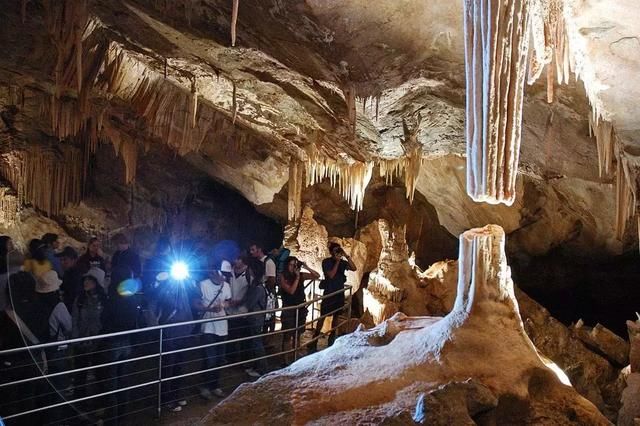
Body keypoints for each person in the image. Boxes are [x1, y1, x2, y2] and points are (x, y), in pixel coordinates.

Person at [193, 263, 231, 400]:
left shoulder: (226, 285)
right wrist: (209, 309)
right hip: (208, 326)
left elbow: (228, 301)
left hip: (222, 326)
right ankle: (205, 385)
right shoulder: (203, 285)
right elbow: (196, 304)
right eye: (222, 274)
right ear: (213, 273)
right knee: (209, 358)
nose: (224, 278)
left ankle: (214, 385)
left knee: (219, 358)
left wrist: (223, 305)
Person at [311, 242, 357, 351]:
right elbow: (331, 275)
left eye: (339, 250)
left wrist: (346, 255)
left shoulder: (342, 262)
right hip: (329, 292)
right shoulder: (326, 262)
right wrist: (336, 262)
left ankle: (331, 339)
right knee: (323, 316)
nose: (338, 253)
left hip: (339, 292)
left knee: (336, 316)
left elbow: (354, 268)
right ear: (331, 252)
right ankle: (315, 339)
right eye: (336, 251)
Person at [71, 271, 107, 398]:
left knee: (100, 374)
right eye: (85, 280)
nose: (86, 282)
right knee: (80, 375)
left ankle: (100, 403)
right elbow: (74, 320)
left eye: (90, 280)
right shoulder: (80, 300)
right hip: (82, 343)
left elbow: (104, 321)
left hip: (97, 343)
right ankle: (79, 403)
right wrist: (76, 340)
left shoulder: (103, 300)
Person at [279, 256, 319, 365]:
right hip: (289, 308)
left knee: (298, 334)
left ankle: (295, 355)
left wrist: (306, 267)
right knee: (287, 335)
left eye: (295, 265)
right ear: (287, 265)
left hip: (300, 308)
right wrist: (297, 278)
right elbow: (291, 291)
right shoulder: (283, 276)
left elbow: (317, 276)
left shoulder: (300, 275)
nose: (293, 267)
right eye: (291, 265)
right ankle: (285, 359)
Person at [244, 258, 268, 377]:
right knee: (254, 343)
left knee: (257, 343)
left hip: (256, 318)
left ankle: (262, 369)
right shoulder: (257, 285)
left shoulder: (257, 287)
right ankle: (256, 366)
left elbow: (250, 303)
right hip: (256, 317)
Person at [225, 255, 250, 364]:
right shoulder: (229, 271)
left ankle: (244, 360)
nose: (234, 261)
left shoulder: (249, 273)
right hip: (230, 310)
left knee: (243, 336)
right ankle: (231, 358)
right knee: (231, 335)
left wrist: (241, 301)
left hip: (243, 310)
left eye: (237, 259)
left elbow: (251, 291)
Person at [249, 243, 277, 333]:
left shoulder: (269, 262)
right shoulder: (257, 262)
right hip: (259, 290)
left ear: (259, 249)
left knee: (268, 316)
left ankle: (268, 337)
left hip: (265, 293)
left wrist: (264, 289)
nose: (251, 252)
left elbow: (272, 279)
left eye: (253, 249)